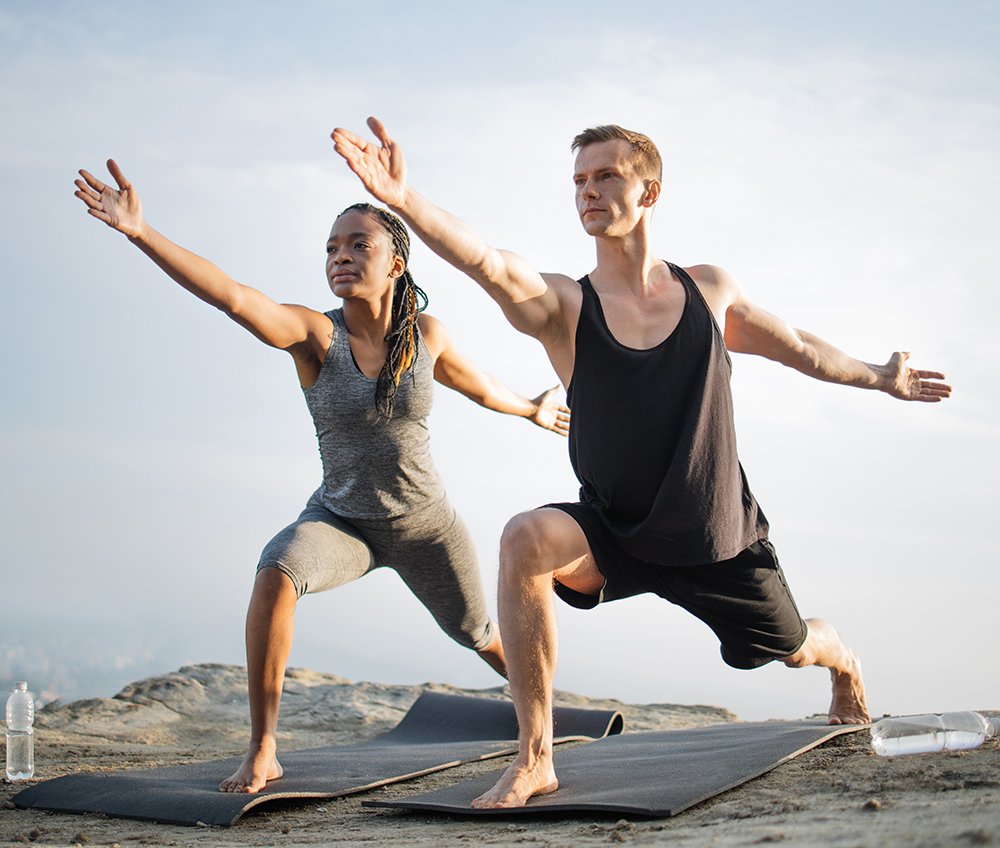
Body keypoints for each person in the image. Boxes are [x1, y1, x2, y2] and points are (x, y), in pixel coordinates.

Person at [331, 117, 953, 808]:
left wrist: (880, 376)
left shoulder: (709, 292)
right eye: (578, 181)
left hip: (718, 541)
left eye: (605, 176)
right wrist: (405, 199)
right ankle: (535, 757)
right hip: (613, 532)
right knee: (526, 538)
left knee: (797, 645)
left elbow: (800, 348)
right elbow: (487, 262)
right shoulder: (564, 306)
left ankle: (846, 663)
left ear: (648, 190)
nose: (587, 192)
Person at [73, 160, 571, 794]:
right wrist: (142, 233)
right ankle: (263, 749)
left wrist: (531, 408)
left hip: (426, 526)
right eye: (332, 247)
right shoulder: (314, 335)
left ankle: (537, 710)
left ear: (396, 262)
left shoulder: (427, 336)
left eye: (358, 244)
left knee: (477, 632)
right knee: (278, 569)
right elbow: (233, 296)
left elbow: (478, 387)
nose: (340, 256)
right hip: (342, 521)